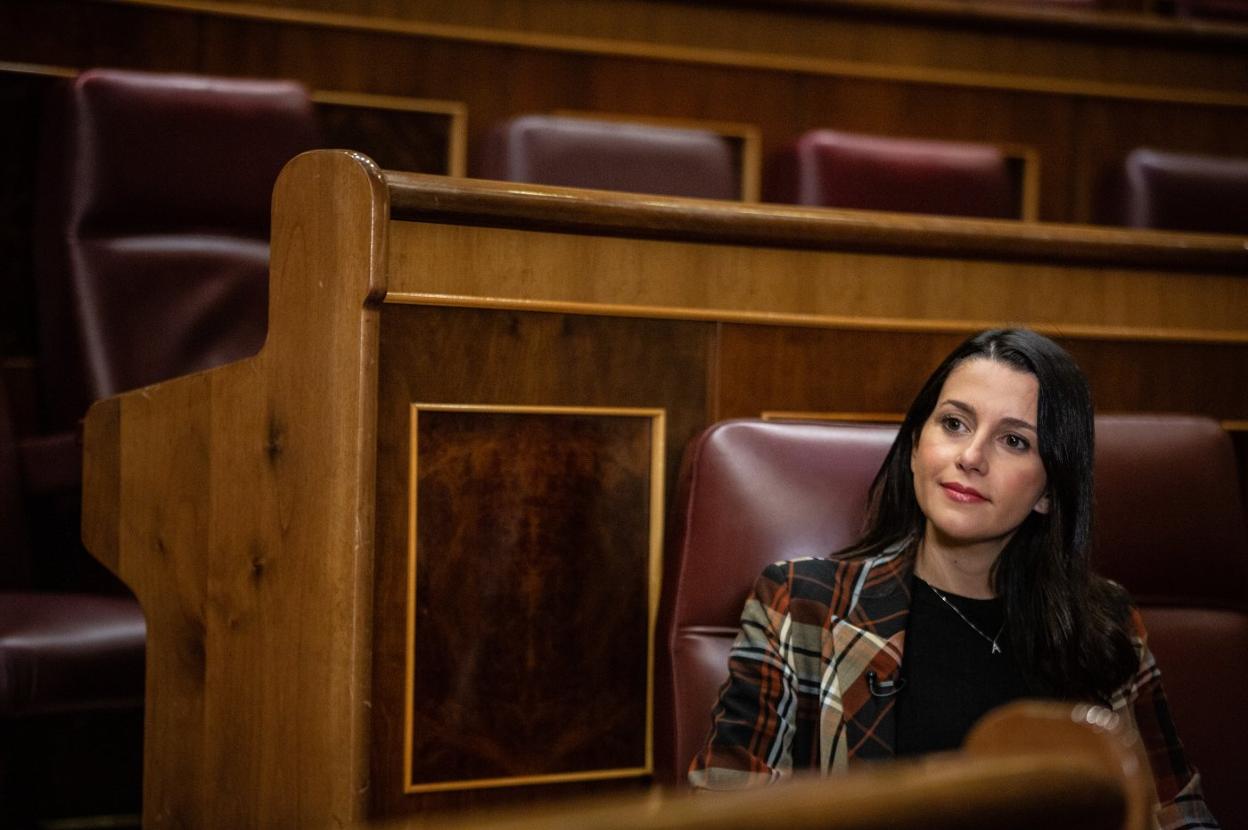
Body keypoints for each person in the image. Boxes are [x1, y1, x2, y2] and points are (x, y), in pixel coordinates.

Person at [688, 328, 1217, 829]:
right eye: (955, 424)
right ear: (917, 446)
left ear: (1049, 491)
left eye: (1014, 441)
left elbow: (1177, 813)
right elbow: (723, 812)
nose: (970, 458)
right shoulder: (803, 605)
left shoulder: (1107, 625)